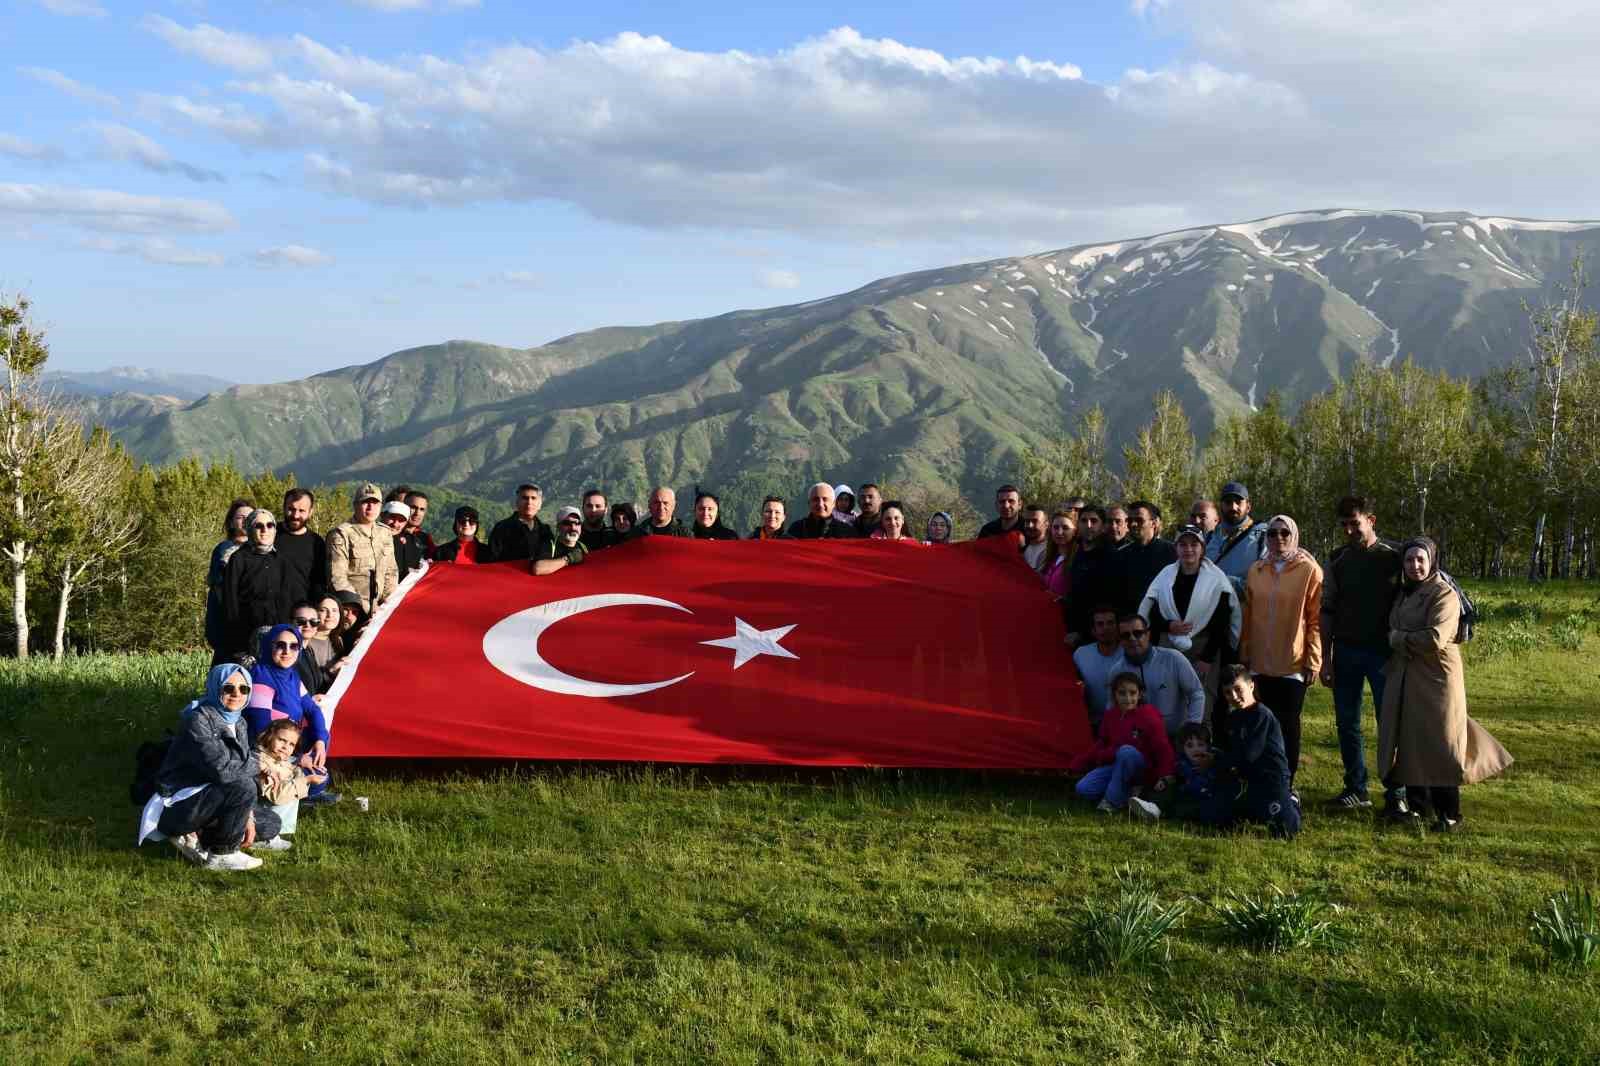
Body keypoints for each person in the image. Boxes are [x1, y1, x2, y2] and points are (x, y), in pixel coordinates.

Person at [1377, 537, 1512, 832]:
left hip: (1437, 677)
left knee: (1442, 741)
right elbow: (1394, 624)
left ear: (1432, 561)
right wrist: (1398, 636)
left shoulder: (1443, 594)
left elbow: (1436, 638)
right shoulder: (1405, 593)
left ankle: (1450, 814)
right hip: (1406, 676)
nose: (1415, 565)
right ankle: (1419, 807)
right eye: (1409, 560)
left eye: (1420, 560)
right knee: (1410, 739)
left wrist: (1398, 638)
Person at [1319, 494, 1405, 815]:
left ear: (1371, 520)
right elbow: (1327, 609)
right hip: (1346, 651)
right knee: (1347, 724)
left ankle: (1396, 791)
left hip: (1386, 654)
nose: (1349, 531)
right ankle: (1356, 788)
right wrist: (1326, 659)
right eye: (1344, 526)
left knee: (1390, 724)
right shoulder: (1337, 558)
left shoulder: (1396, 555)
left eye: (1354, 524)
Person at [150, 664, 282, 870]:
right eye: (228, 688)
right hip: (180, 805)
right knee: (244, 787)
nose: (236, 694)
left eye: (243, 689)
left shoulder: (239, 723)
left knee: (271, 822)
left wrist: (248, 815)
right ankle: (222, 854)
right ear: (215, 687)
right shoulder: (198, 719)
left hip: (213, 800)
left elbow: (241, 767)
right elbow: (222, 770)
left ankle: (201, 838)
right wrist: (259, 764)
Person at [1239, 515, 1323, 793]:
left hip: (1292, 662)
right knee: (1259, 722)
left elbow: (1315, 620)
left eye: (1285, 533)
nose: (1279, 539)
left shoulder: (1309, 570)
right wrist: (1245, 654)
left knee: (1287, 726)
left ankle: (1286, 783)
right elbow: (1248, 616)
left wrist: (1313, 659)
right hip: (1259, 663)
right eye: (1273, 534)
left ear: (1294, 535)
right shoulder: (1257, 570)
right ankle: (1261, 780)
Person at [1138, 525, 1239, 725]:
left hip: (1203, 647)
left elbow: (1222, 620)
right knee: (1166, 699)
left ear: (1202, 548)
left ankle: (1198, 752)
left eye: (1194, 544)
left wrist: (1208, 658)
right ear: (1176, 548)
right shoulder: (1166, 576)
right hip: (1169, 645)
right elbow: (1152, 609)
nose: (1188, 549)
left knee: (1201, 703)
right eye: (1183, 544)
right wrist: (1169, 625)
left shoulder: (1216, 578)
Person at [1068, 671, 1172, 821]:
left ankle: (1112, 802)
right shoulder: (1110, 715)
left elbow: (1163, 747)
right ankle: (1127, 795)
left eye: (1132, 693)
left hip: (1142, 769)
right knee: (1083, 789)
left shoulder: (1149, 715)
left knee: (1126, 752)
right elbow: (1102, 742)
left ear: (1140, 694)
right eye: (1122, 693)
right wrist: (1081, 761)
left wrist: (1165, 775)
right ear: (1114, 694)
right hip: (1116, 765)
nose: (1128, 698)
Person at [1216, 666, 1301, 839]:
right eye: (1227, 692)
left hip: (1271, 779)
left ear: (1251, 686)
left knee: (1285, 831)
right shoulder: (1232, 719)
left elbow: (1248, 755)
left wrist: (1218, 761)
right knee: (1219, 818)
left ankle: (1292, 802)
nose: (1233, 696)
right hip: (1248, 781)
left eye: (1238, 689)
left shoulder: (1262, 715)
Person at [245, 624, 332, 794]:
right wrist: (298, 759)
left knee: (321, 734)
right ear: (268, 646)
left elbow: (313, 710)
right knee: (318, 778)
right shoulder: (261, 675)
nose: (287, 651)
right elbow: (261, 729)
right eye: (280, 645)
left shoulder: (292, 675)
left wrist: (320, 743)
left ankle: (299, 785)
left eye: (294, 646)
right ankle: (293, 789)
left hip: (290, 743)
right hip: (268, 751)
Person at [1113, 613, 1205, 741]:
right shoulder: (1117, 670)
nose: (1132, 638)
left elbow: (1196, 692)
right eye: (1125, 635)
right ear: (1120, 640)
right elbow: (1112, 708)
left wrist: (1192, 728)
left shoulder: (1173, 658)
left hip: (1176, 738)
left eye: (1138, 633)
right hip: (1139, 742)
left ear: (1148, 634)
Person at [221, 509, 289, 660]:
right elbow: (230, 604)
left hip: (277, 640)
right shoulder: (238, 559)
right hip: (245, 640)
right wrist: (238, 649)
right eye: (258, 525)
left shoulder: (280, 560)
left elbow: (285, 601)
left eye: (270, 525)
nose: (265, 530)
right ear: (250, 528)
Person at [327, 482, 398, 616]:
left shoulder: (385, 533)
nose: (370, 507)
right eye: (365, 502)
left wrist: (386, 604)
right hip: (351, 611)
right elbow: (337, 577)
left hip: (380, 611)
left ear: (380, 506)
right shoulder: (341, 533)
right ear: (355, 505)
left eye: (375, 503)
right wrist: (361, 606)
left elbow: (391, 571)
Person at [255, 719, 326, 840]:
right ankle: (264, 838)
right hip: (257, 813)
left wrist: (300, 770)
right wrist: (306, 780)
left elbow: (291, 769)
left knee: (293, 783)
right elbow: (277, 796)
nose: (285, 747)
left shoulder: (278, 760)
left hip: (266, 812)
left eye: (291, 744)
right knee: (290, 788)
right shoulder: (260, 761)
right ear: (269, 737)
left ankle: (277, 832)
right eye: (282, 740)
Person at [1104, 501, 1177, 617]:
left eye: (1139, 520)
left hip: (1165, 624)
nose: (1133, 524)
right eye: (1130, 520)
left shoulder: (1172, 553)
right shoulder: (1120, 556)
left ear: (1153, 523)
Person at [205, 499, 254, 664]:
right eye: (241, 517)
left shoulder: (265, 550)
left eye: (250, 516)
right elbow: (219, 589)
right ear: (232, 522)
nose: (246, 520)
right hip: (228, 625)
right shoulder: (224, 550)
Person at [1204, 482, 1267, 598]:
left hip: (1245, 611)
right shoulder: (1208, 538)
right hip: (1210, 611)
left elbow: (1267, 580)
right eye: (1228, 502)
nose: (1233, 507)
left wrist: (1228, 584)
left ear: (1248, 507)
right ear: (1221, 506)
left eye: (1238, 502)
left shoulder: (1263, 536)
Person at [1170, 722, 1238, 827]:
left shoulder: (1215, 762)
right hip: (1191, 800)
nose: (1196, 749)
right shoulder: (1181, 766)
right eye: (1190, 745)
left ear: (1208, 747)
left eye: (1200, 745)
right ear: (1182, 748)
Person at [1071, 605, 1123, 730]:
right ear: (1093, 630)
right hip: (1092, 724)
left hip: (1124, 723)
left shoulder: (1129, 652)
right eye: (1100, 624)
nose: (1106, 628)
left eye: (1110, 623)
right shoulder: (1080, 654)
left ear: (1118, 627)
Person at [1064, 505, 1109, 644]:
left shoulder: (1111, 556)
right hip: (1073, 632)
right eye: (1084, 521)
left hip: (1099, 635)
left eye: (1094, 521)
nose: (1088, 525)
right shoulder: (1076, 553)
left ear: (1103, 526)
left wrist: (1084, 633)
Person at [276, 489, 327, 607]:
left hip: (303, 614)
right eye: (291, 509)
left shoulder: (317, 543)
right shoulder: (269, 534)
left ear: (310, 512)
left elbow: (319, 583)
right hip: (271, 612)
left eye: (301, 511)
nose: (295, 515)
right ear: (284, 508)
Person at [487, 484, 554, 561]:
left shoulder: (545, 531)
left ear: (540, 504)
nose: (529, 502)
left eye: (533, 498)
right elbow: (492, 559)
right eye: (525, 498)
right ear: (517, 502)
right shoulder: (502, 528)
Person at [529, 507, 592, 575]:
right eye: (567, 523)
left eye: (577, 523)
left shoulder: (583, 547)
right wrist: (568, 559)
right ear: (558, 527)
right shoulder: (549, 545)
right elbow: (538, 569)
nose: (573, 528)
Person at [289, 602, 330, 695]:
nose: (308, 625)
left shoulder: (308, 650)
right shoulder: (288, 652)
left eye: (313, 622)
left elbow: (317, 686)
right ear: (291, 622)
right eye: (301, 621)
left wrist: (332, 671)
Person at [789, 482, 856, 539]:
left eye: (825, 499)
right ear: (809, 503)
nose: (820, 504)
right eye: (815, 499)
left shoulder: (846, 531)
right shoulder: (796, 529)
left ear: (833, 504)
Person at [383, 501, 427, 579]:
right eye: (392, 517)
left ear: (406, 523)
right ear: (382, 515)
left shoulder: (412, 544)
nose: (395, 524)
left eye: (401, 520)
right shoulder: (368, 537)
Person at [1040, 510, 1077, 599]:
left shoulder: (1078, 559)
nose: (1059, 532)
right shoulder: (1049, 557)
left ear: (1075, 531)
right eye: (1056, 527)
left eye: (1065, 528)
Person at [403, 490, 436, 558]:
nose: (417, 513)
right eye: (413, 508)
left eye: (422, 509)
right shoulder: (391, 533)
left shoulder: (425, 539)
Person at [1019, 504, 1050, 570]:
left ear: (1046, 524)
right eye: (1027, 521)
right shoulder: (1021, 547)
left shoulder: (1051, 550)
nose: (1030, 525)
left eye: (1035, 521)